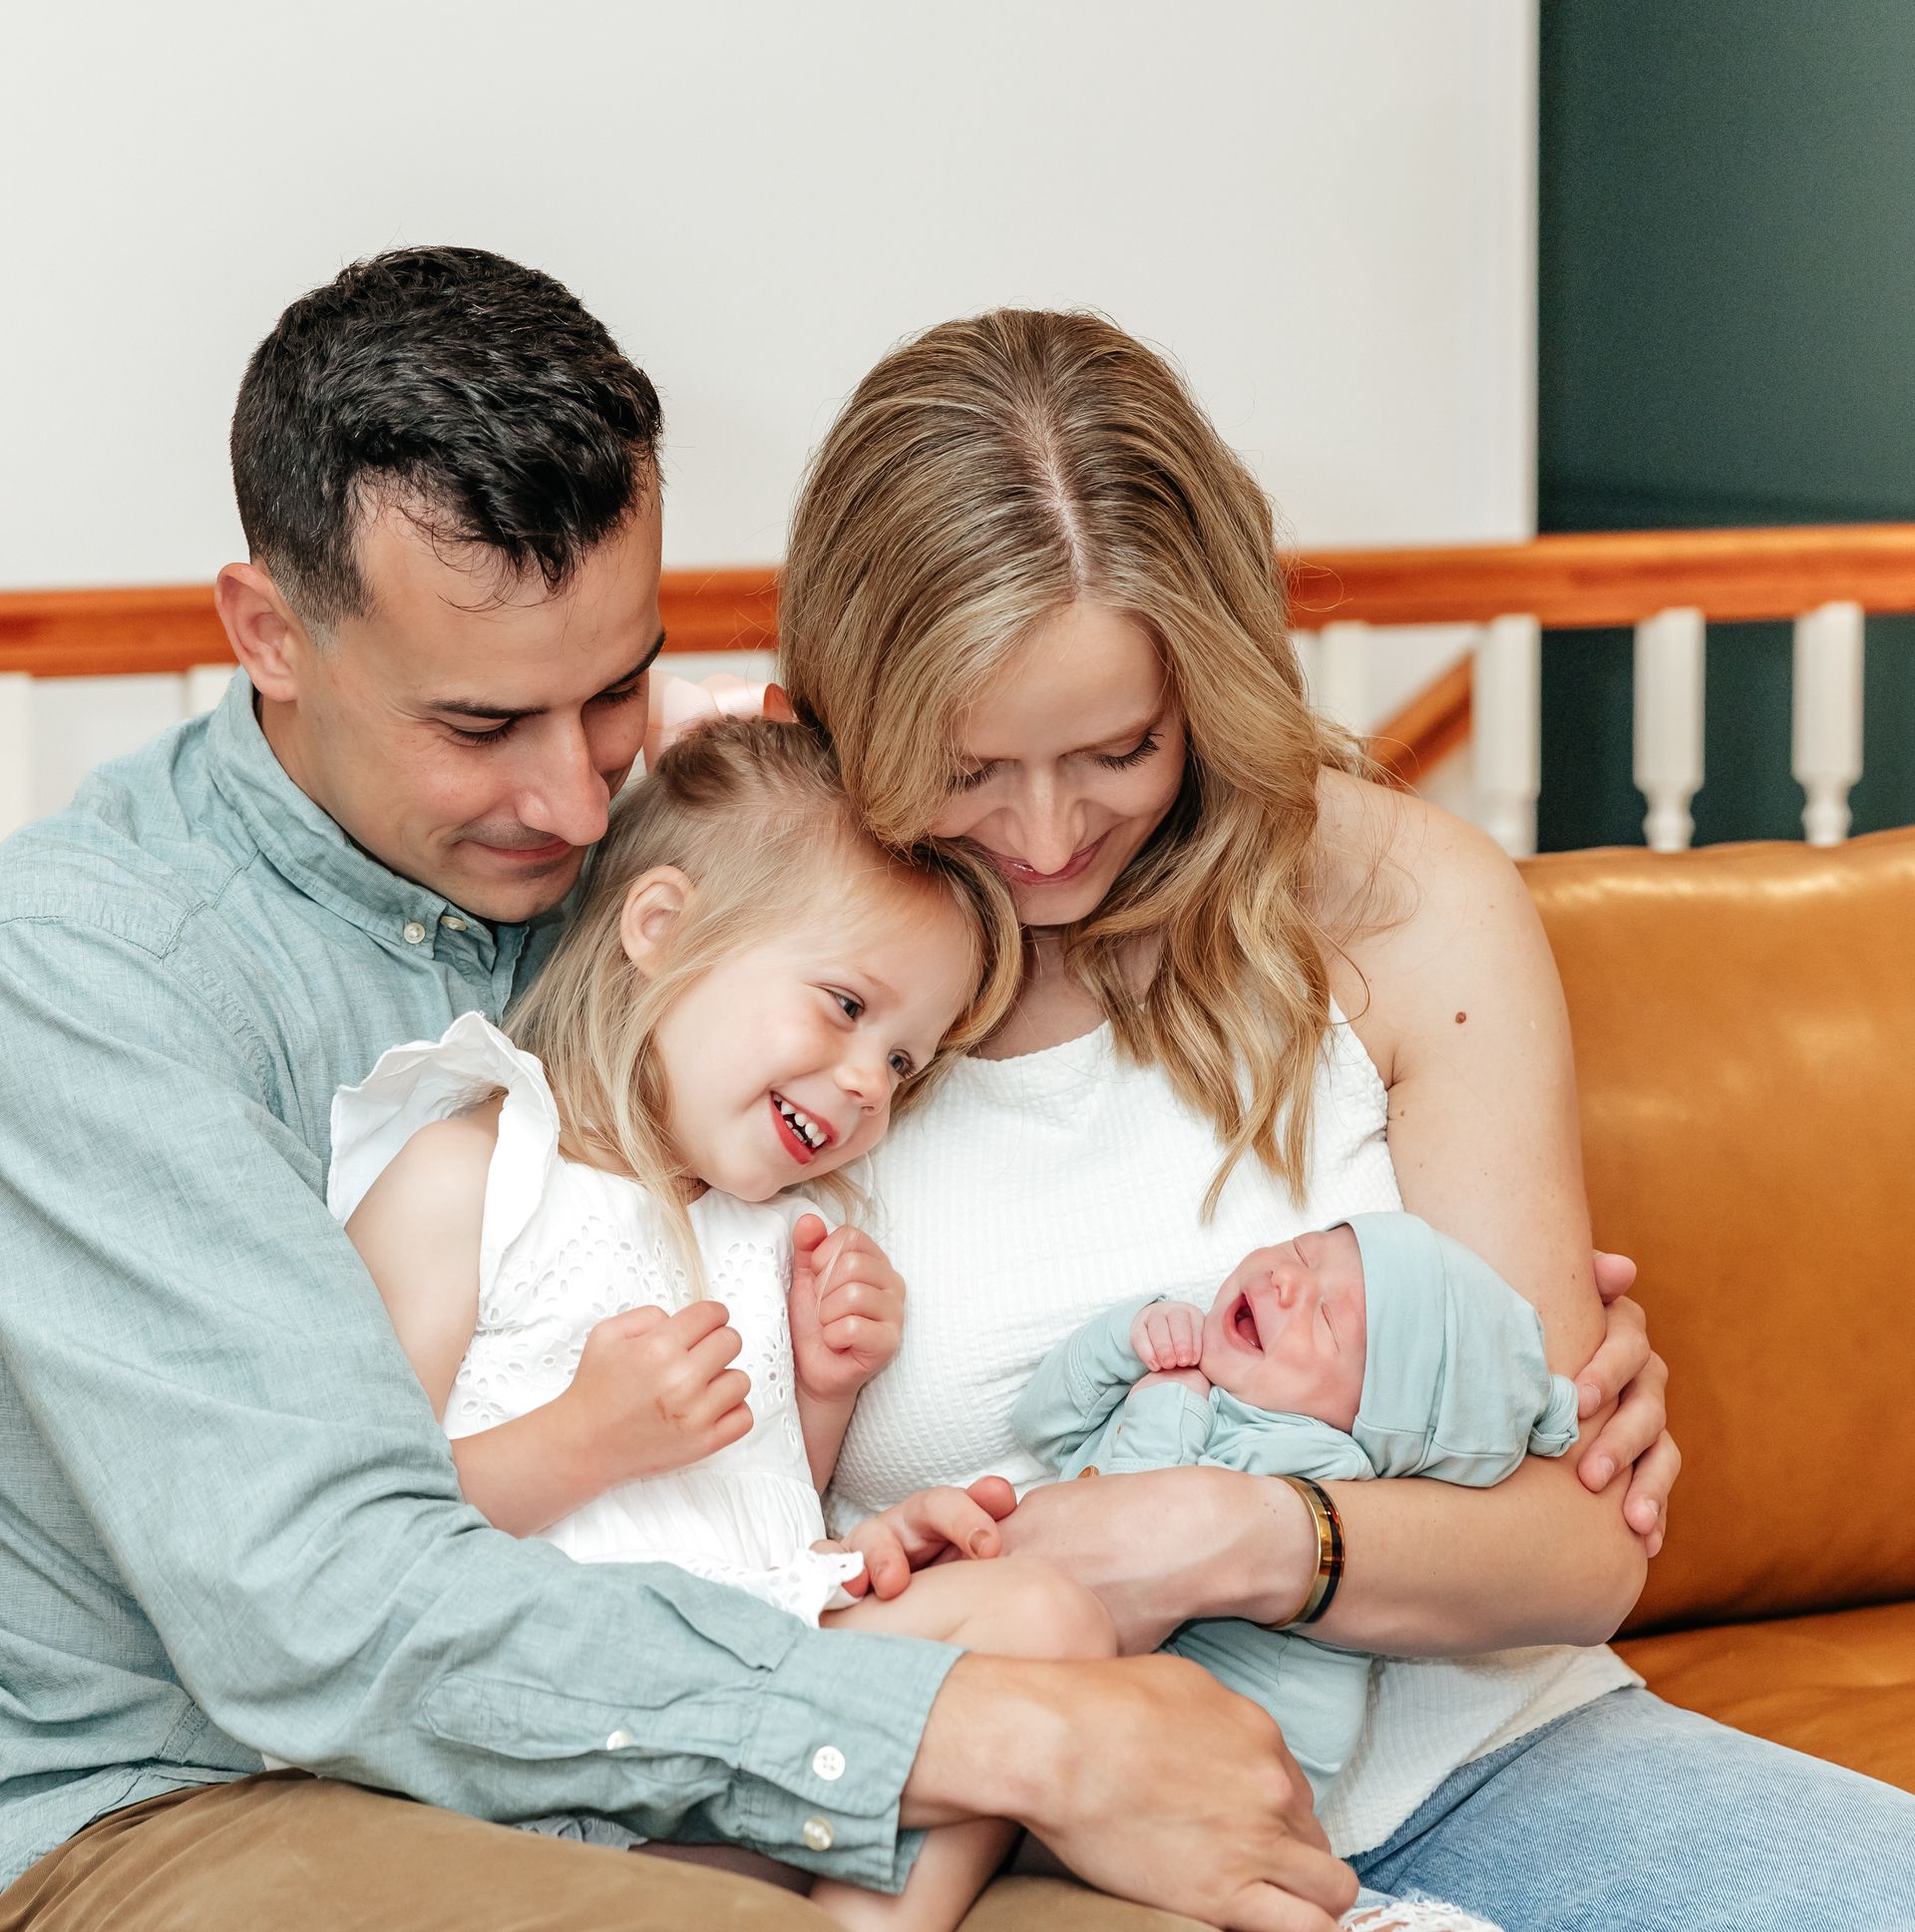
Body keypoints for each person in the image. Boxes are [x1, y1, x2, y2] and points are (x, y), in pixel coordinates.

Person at [0, 253, 1358, 1932]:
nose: (577, 803)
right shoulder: (91, 973)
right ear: (271, 634)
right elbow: (317, 1607)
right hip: (192, 1793)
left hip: (660, 1718)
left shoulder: (686, 842)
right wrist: (995, 1733)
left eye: (614, 691)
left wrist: (1472, 1355)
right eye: (481, 725)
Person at [763, 306, 1915, 1932]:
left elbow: (1582, 1552)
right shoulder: (777, 979)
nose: (1046, 837)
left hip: (1499, 1756)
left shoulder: (1393, 898)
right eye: (966, 771)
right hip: (1033, 1827)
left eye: (1119, 750)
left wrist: (1231, 1536)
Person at [333, 711, 1124, 1932]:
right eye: (845, 1005)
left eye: (905, 1063)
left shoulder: (773, 1229)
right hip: (553, 1711)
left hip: (751, 1696)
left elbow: (750, 1515)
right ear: (661, 929)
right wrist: (581, 1441)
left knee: (1048, 1616)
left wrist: (822, 1399)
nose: (868, 1084)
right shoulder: (471, 1173)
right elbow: (351, 1536)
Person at [1012, 1216, 1580, 1802]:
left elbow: (1133, 1547)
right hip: (1100, 1699)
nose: (1286, 1280)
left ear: (1370, 1423)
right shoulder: (1214, 1384)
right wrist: (1131, 1334)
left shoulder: (1318, 1460)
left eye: (1328, 1321)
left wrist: (1167, 1402)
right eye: (1304, 1251)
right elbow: (1041, 1428)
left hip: (1222, 1778)